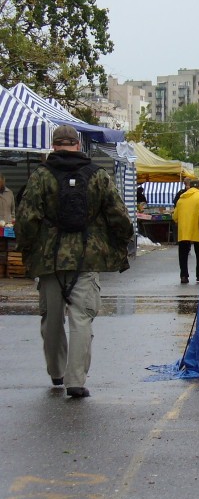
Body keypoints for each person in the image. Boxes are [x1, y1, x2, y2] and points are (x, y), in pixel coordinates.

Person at [14, 125, 133, 398]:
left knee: (52, 319)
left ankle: (56, 371)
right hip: (87, 259)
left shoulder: (40, 176)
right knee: (82, 319)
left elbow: (26, 218)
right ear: (78, 145)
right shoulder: (98, 176)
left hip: (49, 259)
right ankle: (76, 380)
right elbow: (119, 215)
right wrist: (121, 242)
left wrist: (28, 249)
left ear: (54, 146)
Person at [174, 178, 199, 284]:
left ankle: (184, 275)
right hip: (197, 230)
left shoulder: (181, 199)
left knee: (183, 254)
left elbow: (175, 216)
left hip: (184, 231)